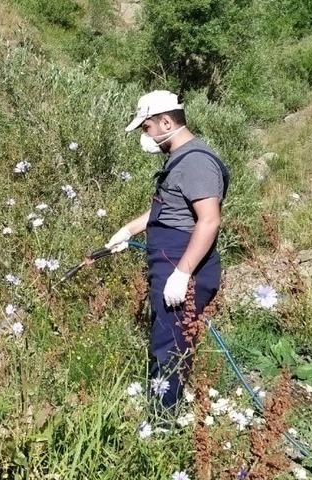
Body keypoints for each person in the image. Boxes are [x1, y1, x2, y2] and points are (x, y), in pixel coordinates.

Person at [106, 90, 229, 409]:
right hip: (170, 260)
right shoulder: (179, 159)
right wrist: (129, 230)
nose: (144, 136)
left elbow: (209, 221)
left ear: (165, 122)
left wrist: (182, 273)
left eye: (146, 128)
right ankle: (161, 408)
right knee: (166, 341)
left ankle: (162, 422)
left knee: (171, 346)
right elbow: (169, 209)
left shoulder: (197, 162)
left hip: (181, 263)